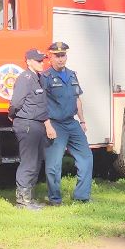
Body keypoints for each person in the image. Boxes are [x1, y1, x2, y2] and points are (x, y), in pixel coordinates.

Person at [41, 41, 93, 206]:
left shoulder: (72, 75)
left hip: (72, 123)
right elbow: (40, 103)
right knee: (54, 164)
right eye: (57, 56)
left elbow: (77, 99)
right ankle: (55, 199)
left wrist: (82, 120)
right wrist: (47, 125)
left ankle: (82, 196)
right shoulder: (45, 77)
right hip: (55, 124)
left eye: (63, 55)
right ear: (50, 57)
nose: (60, 59)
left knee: (86, 157)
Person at [8, 48, 49, 211]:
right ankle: (22, 201)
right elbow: (16, 102)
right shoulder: (25, 78)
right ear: (29, 61)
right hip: (27, 124)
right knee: (29, 162)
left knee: (36, 162)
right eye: (38, 61)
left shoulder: (37, 78)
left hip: (36, 124)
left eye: (42, 60)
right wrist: (12, 115)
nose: (42, 63)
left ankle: (29, 198)